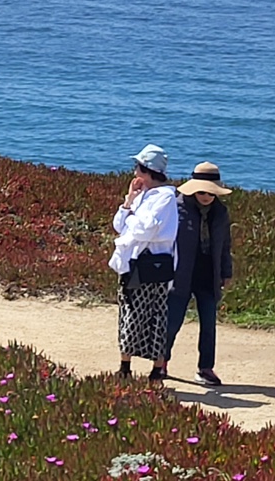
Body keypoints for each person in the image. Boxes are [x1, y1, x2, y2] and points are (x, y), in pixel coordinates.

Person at [109, 143, 180, 383]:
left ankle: (157, 368)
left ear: (148, 170)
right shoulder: (143, 196)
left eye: (138, 168)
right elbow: (120, 224)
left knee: (155, 314)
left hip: (153, 264)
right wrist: (129, 199)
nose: (135, 173)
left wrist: (132, 220)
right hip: (133, 262)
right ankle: (125, 365)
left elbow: (145, 228)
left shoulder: (166, 197)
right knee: (129, 311)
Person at [166, 161, 233, 386]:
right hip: (181, 272)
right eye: (202, 191)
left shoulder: (221, 213)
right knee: (172, 320)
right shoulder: (177, 207)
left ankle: (205, 368)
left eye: (211, 193)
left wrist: (226, 271)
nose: (206, 196)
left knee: (209, 323)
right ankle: (161, 362)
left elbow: (225, 246)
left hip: (208, 273)